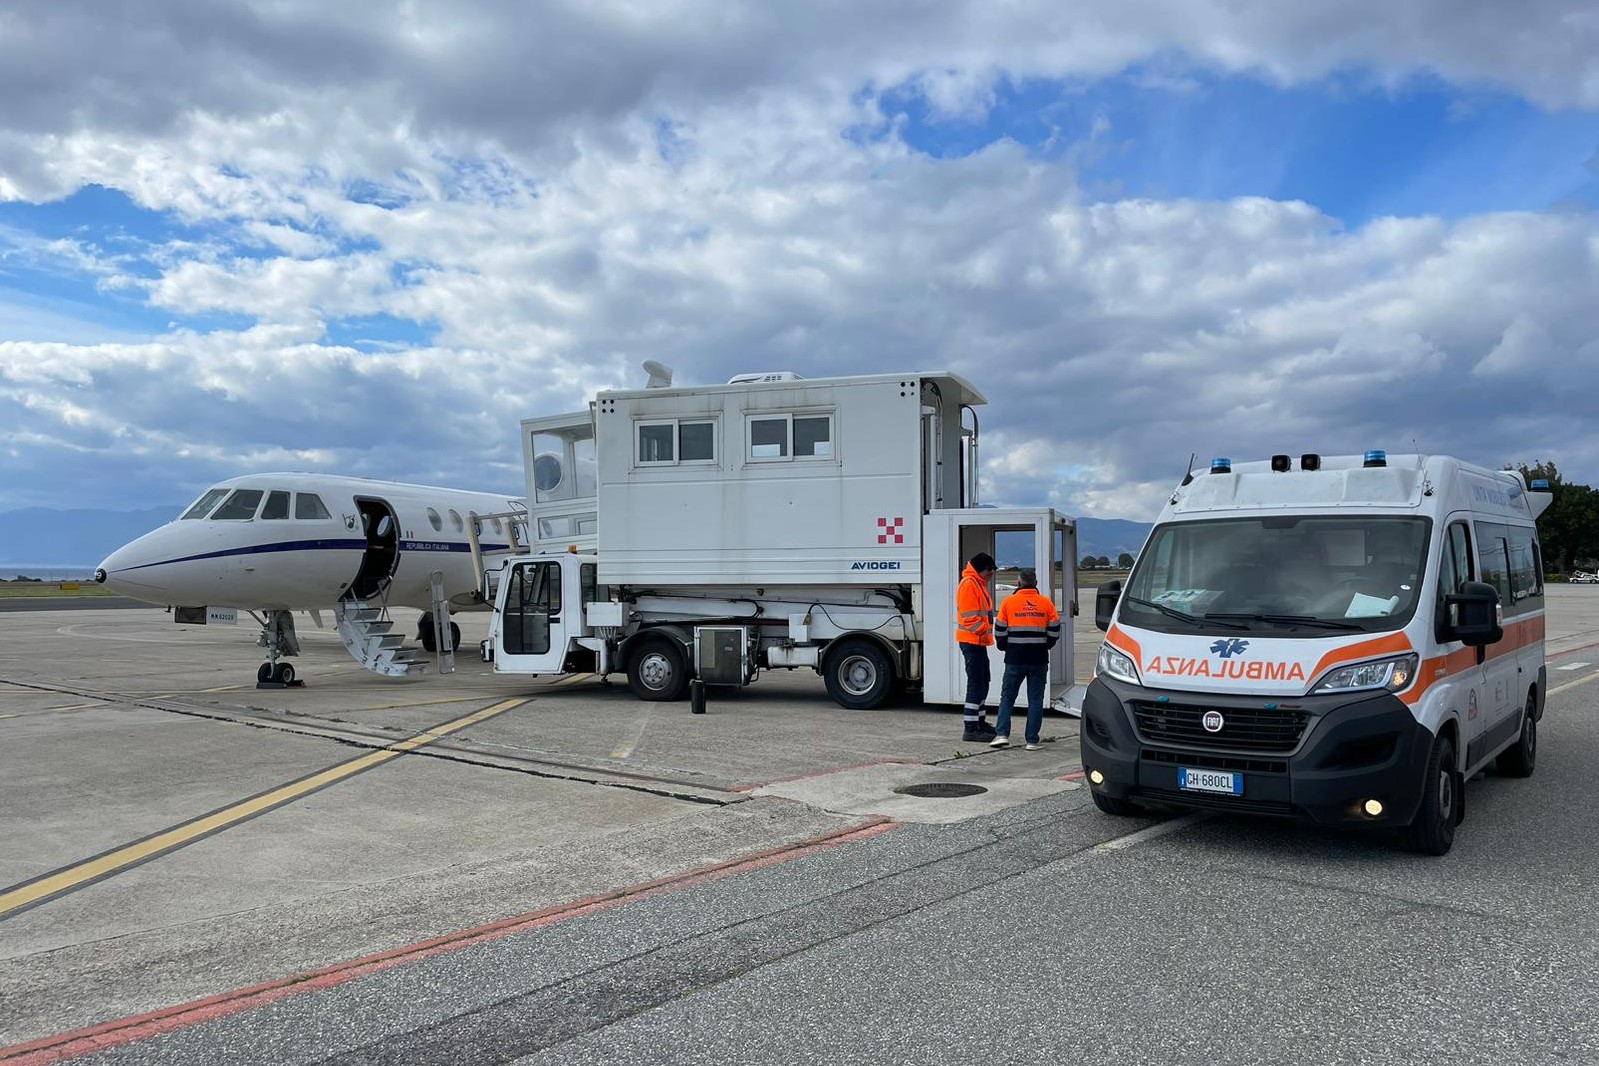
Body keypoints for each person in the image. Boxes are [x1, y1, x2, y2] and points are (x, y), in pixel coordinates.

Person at [989, 569, 1061, 750]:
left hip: (1015, 658)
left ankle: (1002, 734)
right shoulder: (1046, 604)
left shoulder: (1008, 603)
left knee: (1007, 697)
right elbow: (1054, 630)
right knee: (1035, 700)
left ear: (1018, 583)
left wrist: (1007, 647)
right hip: (1039, 659)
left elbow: (999, 631)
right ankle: (1031, 740)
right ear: (1035, 583)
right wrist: (1045, 645)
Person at [955, 551, 998, 741]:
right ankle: (971, 727)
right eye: (989, 571)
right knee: (976, 684)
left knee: (983, 682)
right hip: (972, 641)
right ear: (981, 569)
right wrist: (983, 630)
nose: (991, 575)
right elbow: (969, 618)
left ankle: (979, 722)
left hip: (978, 642)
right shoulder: (969, 585)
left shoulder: (979, 584)